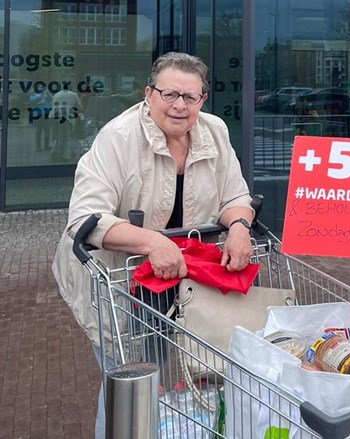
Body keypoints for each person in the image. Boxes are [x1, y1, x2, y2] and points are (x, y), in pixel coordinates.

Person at [51, 52, 255, 439]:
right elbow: (84, 217)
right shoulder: (119, 137)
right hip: (117, 281)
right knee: (131, 379)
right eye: (169, 93)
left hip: (179, 278)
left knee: (179, 371)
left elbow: (235, 195)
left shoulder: (214, 131)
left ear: (203, 100)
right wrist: (151, 242)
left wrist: (240, 226)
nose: (179, 105)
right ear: (149, 94)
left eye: (190, 97)